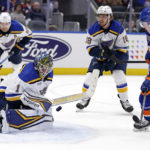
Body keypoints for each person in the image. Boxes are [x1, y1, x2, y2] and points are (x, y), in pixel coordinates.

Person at [76, 5, 134, 113]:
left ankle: (124, 100)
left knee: (119, 77)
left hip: (117, 55)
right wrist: (103, 53)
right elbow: (90, 50)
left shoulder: (119, 29)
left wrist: (113, 56)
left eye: (104, 16)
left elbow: (123, 49)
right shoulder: (93, 30)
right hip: (100, 57)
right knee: (89, 78)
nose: (100, 19)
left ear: (110, 17)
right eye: (99, 16)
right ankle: (84, 98)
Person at [0, 52, 54, 133]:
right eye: (43, 67)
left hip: (18, 91)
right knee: (10, 113)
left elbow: (38, 91)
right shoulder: (28, 75)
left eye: (48, 68)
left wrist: (36, 101)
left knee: (32, 109)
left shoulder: (48, 74)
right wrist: (34, 101)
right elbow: (9, 95)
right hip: (4, 92)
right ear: (37, 66)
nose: (45, 71)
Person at [133, 6, 150, 129]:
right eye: (143, 24)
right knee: (144, 96)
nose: (145, 27)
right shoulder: (148, 33)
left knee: (145, 96)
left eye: (146, 24)